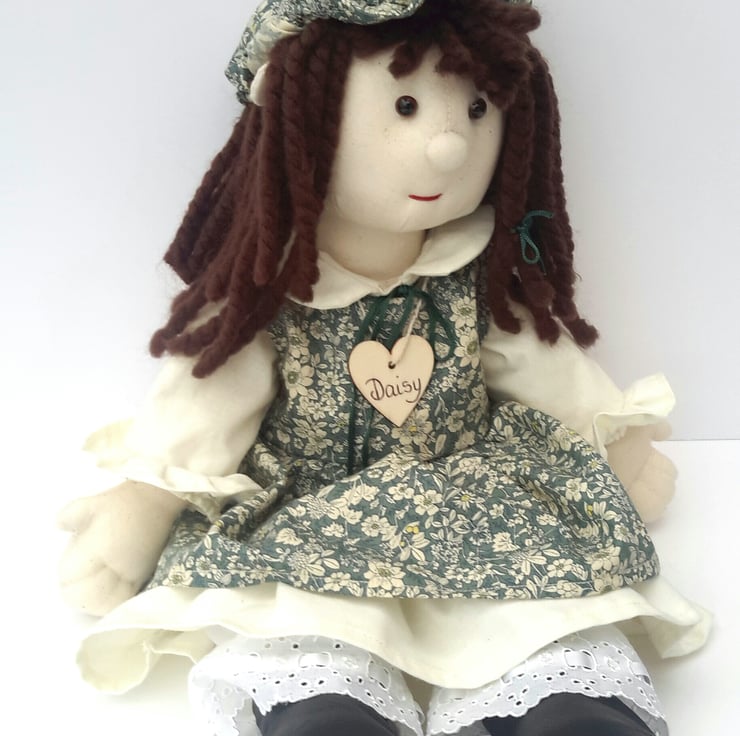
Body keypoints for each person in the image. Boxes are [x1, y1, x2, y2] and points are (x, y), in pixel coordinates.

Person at [59, 2, 710, 734]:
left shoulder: (475, 271)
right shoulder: (275, 290)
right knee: (309, 617)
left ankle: (563, 700)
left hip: (475, 491)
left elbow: (544, 365)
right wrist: (144, 505)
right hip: (314, 504)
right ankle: (326, 702)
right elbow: (207, 401)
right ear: (297, 113)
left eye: (475, 110)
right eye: (404, 106)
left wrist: (618, 443)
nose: (450, 148)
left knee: (538, 605)